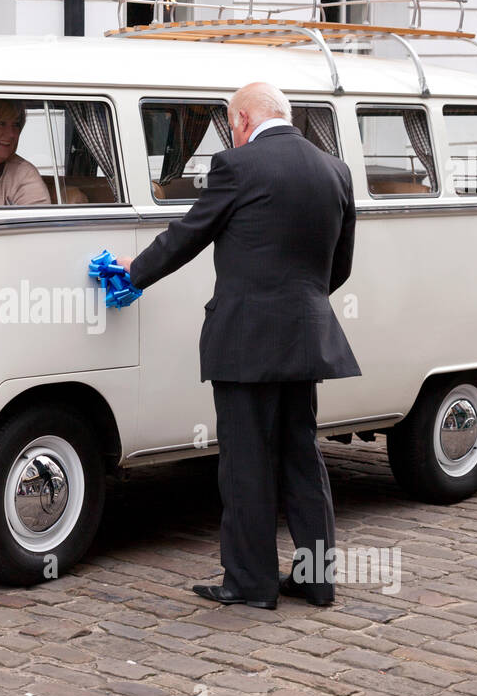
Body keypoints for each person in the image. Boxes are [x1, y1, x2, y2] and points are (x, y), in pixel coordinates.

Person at [120, 81, 361, 610]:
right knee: (302, 458)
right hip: (305, 337)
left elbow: (188, 234)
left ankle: (251, 583)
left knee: (247, 462)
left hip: (246, 340)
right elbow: (337, 266)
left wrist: (133, 273)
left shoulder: (237, 165)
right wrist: (300, 306)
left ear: (243, 119)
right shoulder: (334, 170)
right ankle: (318, 581)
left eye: (232, 123)